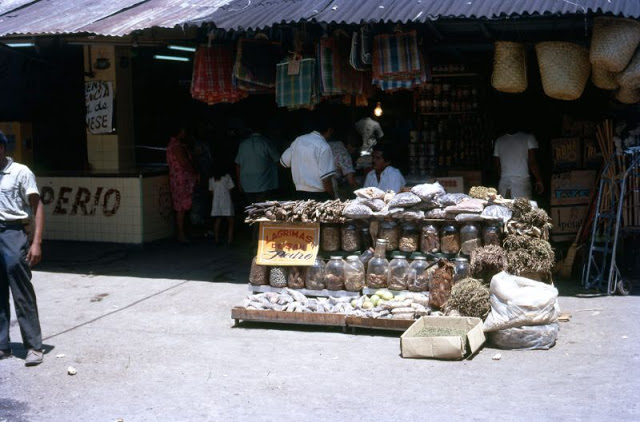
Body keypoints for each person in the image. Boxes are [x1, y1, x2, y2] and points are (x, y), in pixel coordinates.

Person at [0, 130, 45, 366]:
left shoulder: (20, 172)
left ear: (2, 148)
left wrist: (36, 242)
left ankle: (34, 347)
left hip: (13, 232)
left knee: (21, 291)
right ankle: (2, 345)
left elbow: (37, 207)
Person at [280, 113, 336, 200]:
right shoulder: (324, 146)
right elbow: (326, 179)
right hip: (318, 196)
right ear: (329, 130)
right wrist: (333, 197)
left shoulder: (298, 140)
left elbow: (284, 163)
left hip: (298, 194)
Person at [166, 125, 198, 243]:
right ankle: (181, 234)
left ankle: (182, 232)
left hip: (177, 178)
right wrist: (193, 172)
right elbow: (183, 162)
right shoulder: (176, 146)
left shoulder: (173, 145)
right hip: (181, 180)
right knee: (181, 207)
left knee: (181, 207)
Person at [235, 122, 280, 205]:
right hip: (264, 182)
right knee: (262, 208)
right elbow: (278, 160)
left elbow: (238, 165)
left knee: (251, 208)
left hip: (247, 183)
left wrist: (239, 183)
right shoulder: (266, 142)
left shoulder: (243, 144)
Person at [493, 129, 544, 199]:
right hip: (522, 183)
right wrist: (539, 180)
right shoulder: (528, 138)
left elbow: (497, 165)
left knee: (504, 208)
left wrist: (506, 176)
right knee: (522, 209)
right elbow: (532, 163)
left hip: (504, 183)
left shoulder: (499, 141)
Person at [209, 167, 236, 245]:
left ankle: (216, 240)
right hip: (226, 201)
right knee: (231, 221)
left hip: (216, 202)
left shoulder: (211, 179)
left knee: (218, 220)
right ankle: (230, 240)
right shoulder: (227, 177)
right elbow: (230, 189)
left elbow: (211, 192)